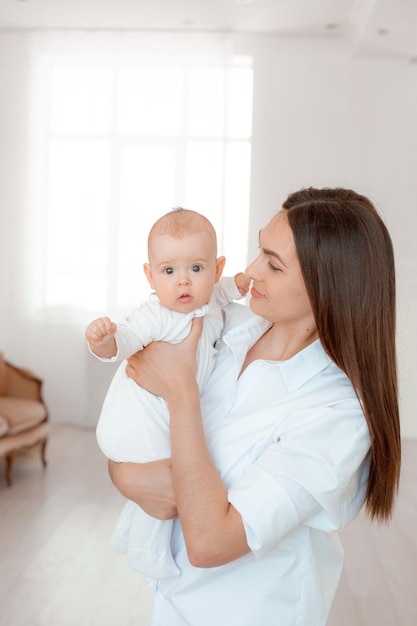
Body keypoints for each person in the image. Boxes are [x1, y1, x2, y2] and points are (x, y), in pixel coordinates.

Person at [108, 187, 401, 626]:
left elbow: (210, 541)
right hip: (173, 604)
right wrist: (123, 474)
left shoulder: (336, 413)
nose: (250, 272)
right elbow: (137, 428)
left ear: (327, 287)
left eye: (274, 264)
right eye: (259, 250)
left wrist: (182, 393)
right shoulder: (225, 328)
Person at [86, 208, 250, 579]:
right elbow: (125, 341)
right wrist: (104, 340)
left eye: (196, 268)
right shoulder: (156, 313)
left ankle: (128, 534)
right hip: (140, 417)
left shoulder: (211, 302)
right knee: (173, 476)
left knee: (171, 477)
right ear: (150, 274)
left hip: (168, 413)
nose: (184, 283)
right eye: (169, 271)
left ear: (216, 268)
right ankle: (147, 550)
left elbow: (223, 295)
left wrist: (239, 284)